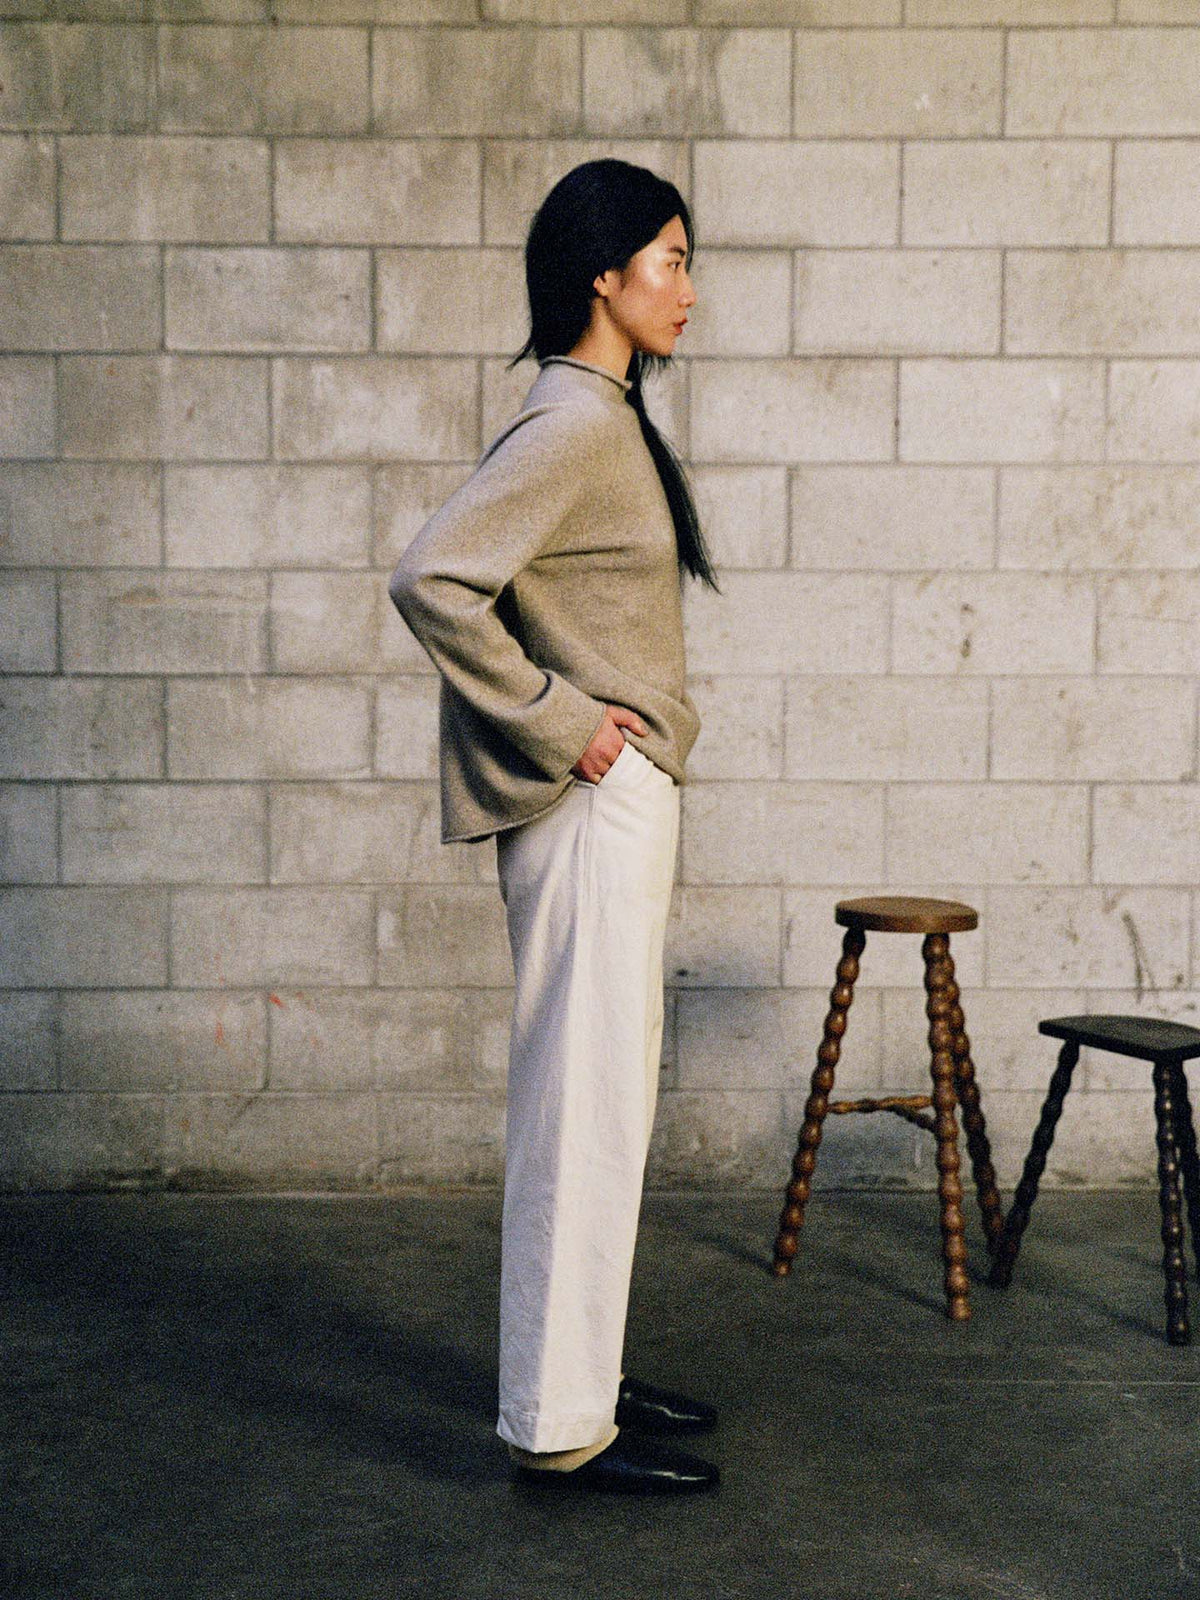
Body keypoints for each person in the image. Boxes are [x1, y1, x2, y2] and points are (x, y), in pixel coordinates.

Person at [388, 159, 720, 1495]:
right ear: (605, 273)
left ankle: (581, 1372)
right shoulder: (576, 422)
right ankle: (557, 1427)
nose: (689, 289)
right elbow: (433, 578)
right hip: (588, 797)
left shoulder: (602, 412)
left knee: (604, 1102)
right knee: (583, 1106)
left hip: (612, 801)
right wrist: (559, 720)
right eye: (672, 260)